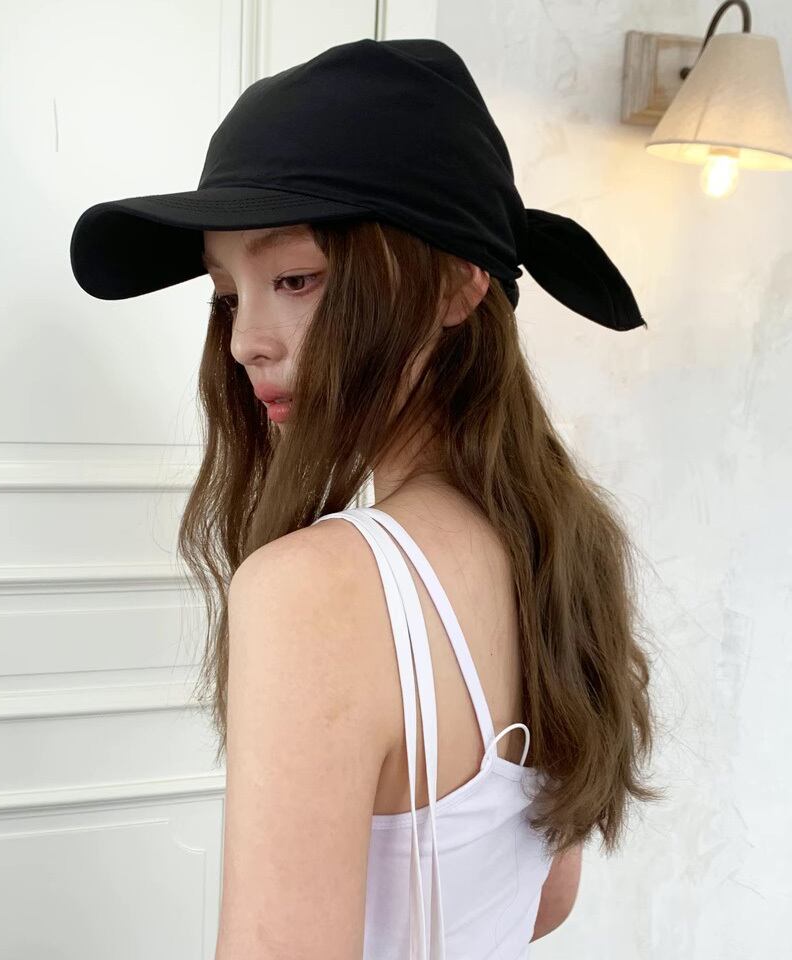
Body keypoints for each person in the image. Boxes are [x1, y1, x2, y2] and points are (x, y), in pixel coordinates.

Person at [70, 37, 660, 960]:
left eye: (295, 280)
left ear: (457, 285)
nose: (247, 341)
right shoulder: (560, 543)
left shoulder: (315, 590)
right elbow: (545, 900)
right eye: (227, 295)